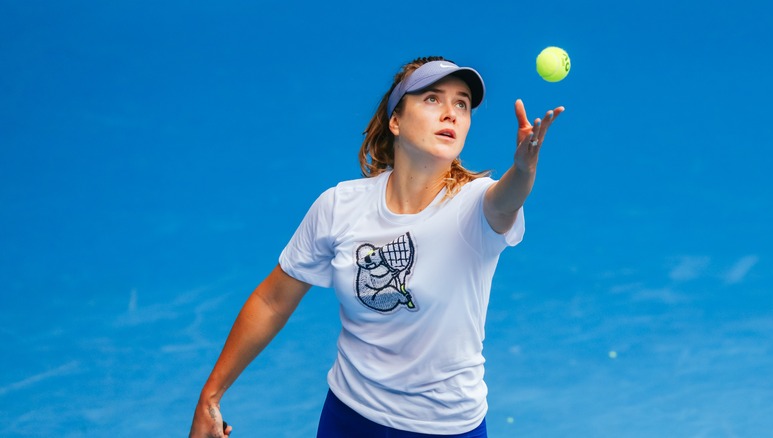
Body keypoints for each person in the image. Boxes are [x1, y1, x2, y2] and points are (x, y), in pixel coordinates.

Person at [189, 56, 564, 437]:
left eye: (462, 104)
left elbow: (508, 199)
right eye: (433, 99)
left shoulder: (475, 207)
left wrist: (524, 169)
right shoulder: (340, 206)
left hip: (444, 427)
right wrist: (210, 396)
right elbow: (272, 300)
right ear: (396, 121)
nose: (450, 113)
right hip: (348, 417)